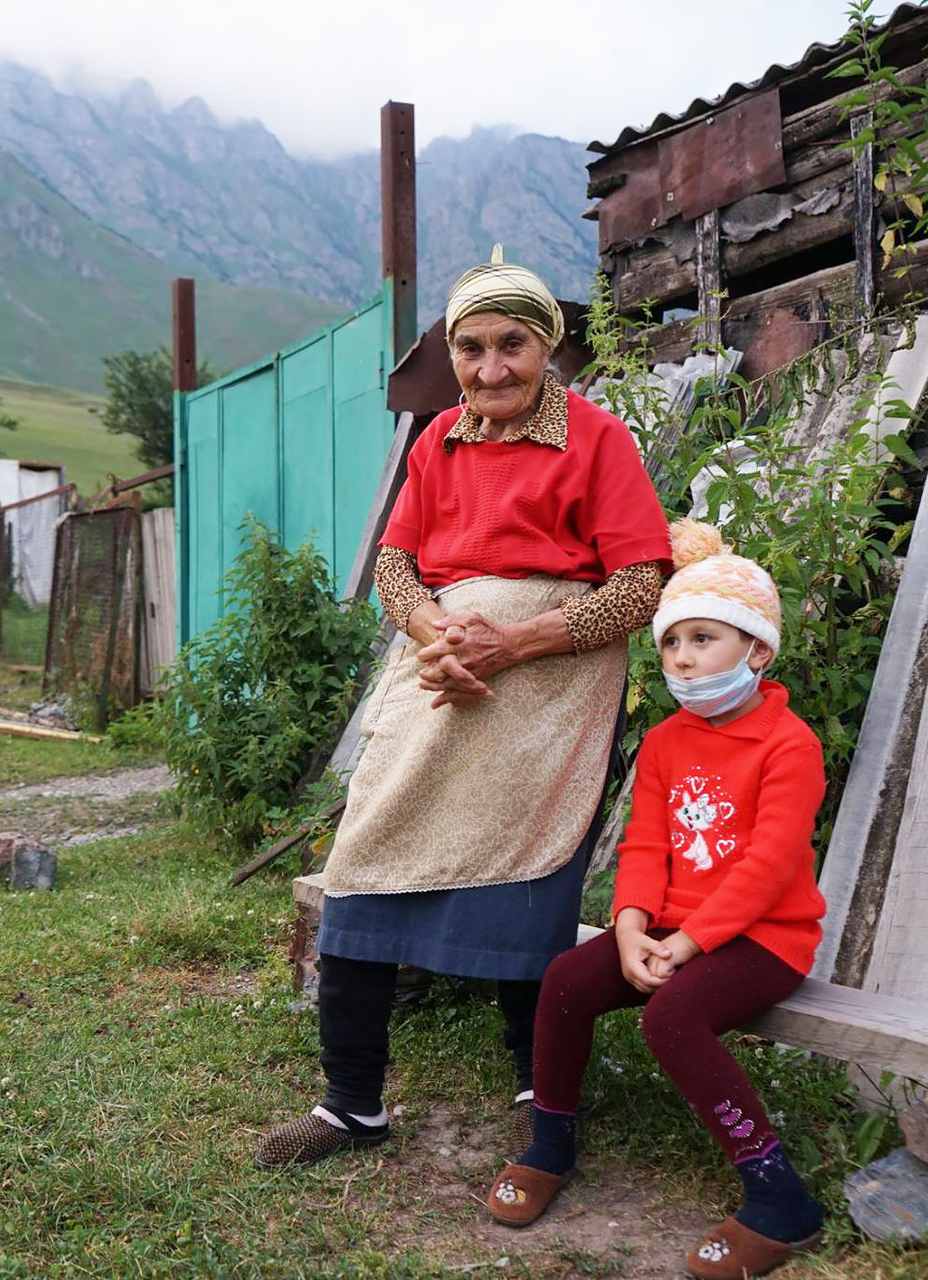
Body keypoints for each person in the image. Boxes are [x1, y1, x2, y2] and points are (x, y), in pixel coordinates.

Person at [253, 247, 672, 1168]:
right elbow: (397, 567)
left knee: (526, 874)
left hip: (549, 690)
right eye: (472, 349)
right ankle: (351, 1104)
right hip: (439, 677)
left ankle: (541, 1092)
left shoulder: (598, 439)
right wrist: (437, 630)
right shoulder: (439, 439)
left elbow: (640, 583)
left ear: (548, 344)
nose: (490, 369)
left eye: (511, 345)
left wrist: (512, 640)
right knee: (365, 855)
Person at [483, 520, 830, 1280]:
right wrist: (632, 928)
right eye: (671, 643)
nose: (681, 658)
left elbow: (769, 868)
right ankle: (551, 1140)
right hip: (670, 929)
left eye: (704, 639)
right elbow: (645, 845)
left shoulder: (789, 745)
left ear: (757, 651)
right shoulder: (670, 740)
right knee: (568, 980)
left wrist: (689, 944)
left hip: (764, 939)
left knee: (673, 1017)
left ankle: (779, 1197)